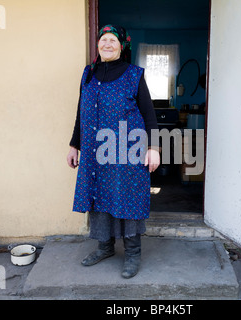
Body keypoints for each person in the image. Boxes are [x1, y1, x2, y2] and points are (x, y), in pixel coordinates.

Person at [67, 25, 160, 279]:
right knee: (99, 197)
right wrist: (74, 144)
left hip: (127, 151)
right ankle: (105, 247)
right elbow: (80, 112)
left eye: (113, 40)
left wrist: (153, 148)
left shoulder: (133, 75)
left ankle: (132, 254)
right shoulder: (88, 73)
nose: (107, 44)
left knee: (127, 198)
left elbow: (149, 113)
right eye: (103, 40)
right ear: (98, 45)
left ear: (122, 46)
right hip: (94, 152)